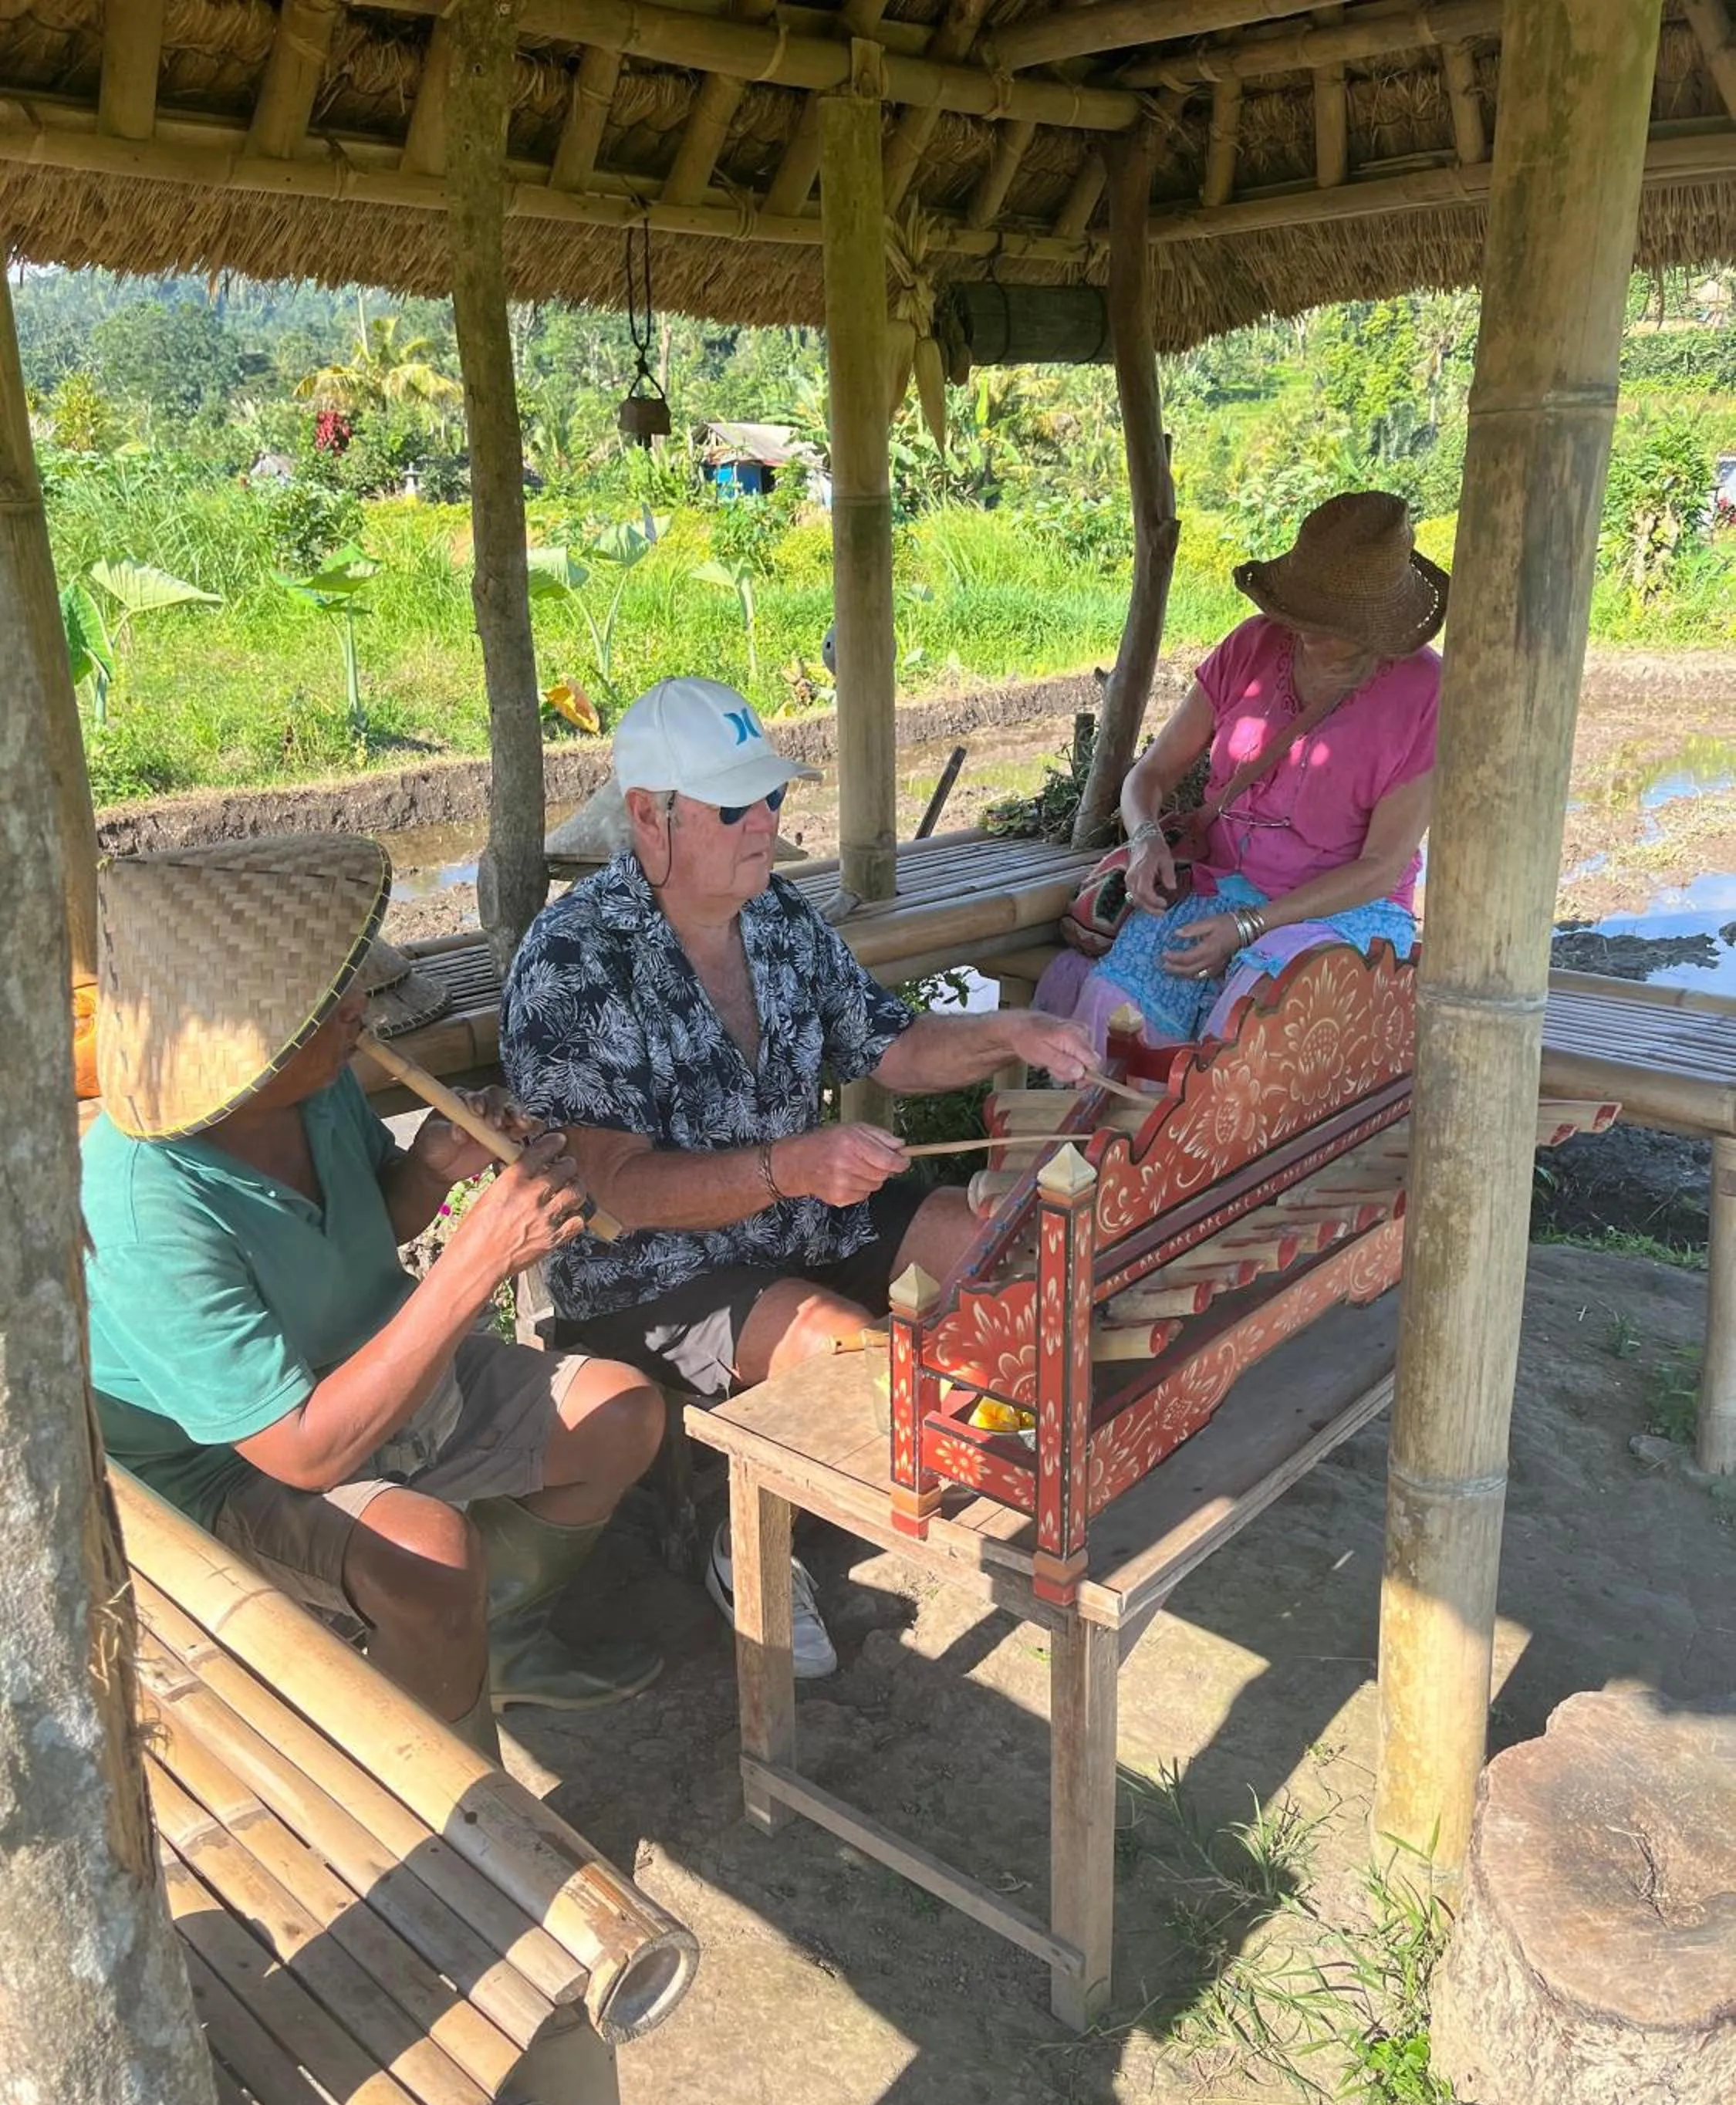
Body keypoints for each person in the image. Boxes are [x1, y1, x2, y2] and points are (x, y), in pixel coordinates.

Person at [500, 677, 1096, 1678]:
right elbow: (618, 1190)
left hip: (799, 1218)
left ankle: (935, 1472)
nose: (766, 824)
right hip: (649, 1274)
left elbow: (893, 1049)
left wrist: (1011, 1032)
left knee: (991, 1249)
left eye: (771, 797)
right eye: (735, 807)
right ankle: (744, 1540)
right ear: (649, 816)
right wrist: (790, 1165)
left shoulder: (775, 915)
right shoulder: (574, 960)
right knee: (847, 1351)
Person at [83, 835, 667, 1752]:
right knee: (428, 1562)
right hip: (227, 1468)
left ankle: (495, 1645)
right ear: (241, 1047)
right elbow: (304, 1452)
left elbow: (367, 1228)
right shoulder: (143, 1207)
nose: (358, 1006)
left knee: (621, 1415)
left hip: (371, 1365)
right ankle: (449, 1784)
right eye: (326, 1000)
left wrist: (431, 1169)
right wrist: (476, 1260)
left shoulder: (312, 1086)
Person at [1047, 491, 1447, 1051]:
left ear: (1378, 623)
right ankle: (1095, 1112)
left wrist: (1250, 927)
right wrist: (1145, 839)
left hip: (1343, 913)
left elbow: (1381, 869)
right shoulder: (1252, 647)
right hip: (1219, 890)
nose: (1307, 630)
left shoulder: (1425, 693)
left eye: (1331, 621)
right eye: (1301, 610)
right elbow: (1148, 777)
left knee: (1250, 1028)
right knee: (1113, 1012)